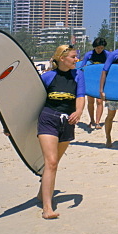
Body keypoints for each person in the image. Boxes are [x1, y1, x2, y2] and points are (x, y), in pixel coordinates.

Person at [37, 44, 85, 219]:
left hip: (67, 121)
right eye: (73, 57)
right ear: (62, 58)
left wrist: (79, 111)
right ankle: (47, 208)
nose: (76, 59)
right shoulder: (47, 77)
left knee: (54, 162)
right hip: (48, 119)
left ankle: (42, 192)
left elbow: (80, 96)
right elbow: (29, 101)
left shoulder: (78, 75)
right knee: (51, 162)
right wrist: (10, 126)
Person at [78, 37, 108, 129]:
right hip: (90, 80)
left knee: (99, 101)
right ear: (94, 47)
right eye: (98, 48)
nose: (99, 50)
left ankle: (98, 122)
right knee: (90, 101)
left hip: (101, 80)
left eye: (101, 48)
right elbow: (82, 67)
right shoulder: (89, 54)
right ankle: (92, 121)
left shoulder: (106, 54)